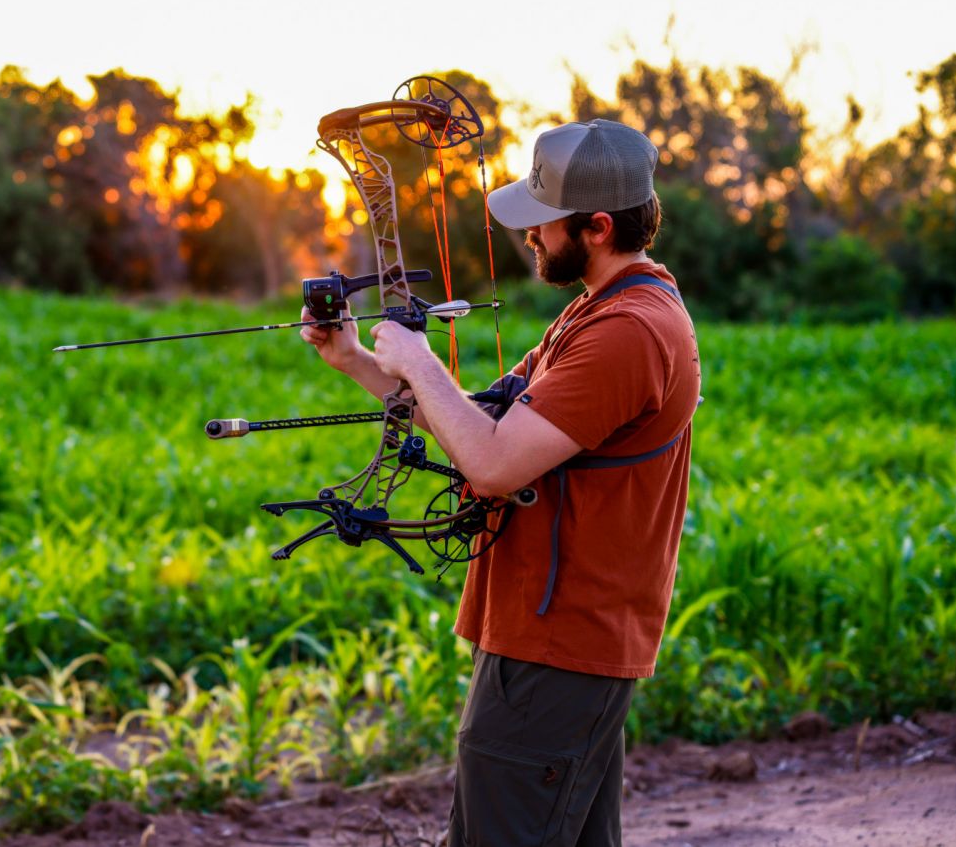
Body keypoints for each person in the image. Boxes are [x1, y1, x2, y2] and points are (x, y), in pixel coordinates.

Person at [300, 118, 701, 846]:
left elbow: (489, 463)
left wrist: (419, 360)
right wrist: (358, 360)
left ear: (599, 226)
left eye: (544, 224)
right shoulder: (593, 312)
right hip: (551, 636)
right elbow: (476, 423)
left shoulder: (629, 331)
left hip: (560, 642)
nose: (531, 238)